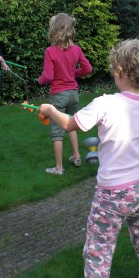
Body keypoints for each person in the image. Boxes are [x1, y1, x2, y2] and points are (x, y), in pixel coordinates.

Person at [39, 39, 139, 278]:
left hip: (113, 192)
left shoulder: (106, 103)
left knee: (98, 249)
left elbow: (69, 124)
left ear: (120, 70)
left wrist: (49, 109)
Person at [37, 13, 92, 175]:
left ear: (54, 29)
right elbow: (88, 69)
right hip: (73, 93)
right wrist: (73, 74)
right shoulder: (76, 49)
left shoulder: (50, 51)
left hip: (58, 95)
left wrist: (39, 81)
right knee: (71, 124)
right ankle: (76, 157)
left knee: (57, 131)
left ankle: (59, 168)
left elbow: (48, 76)